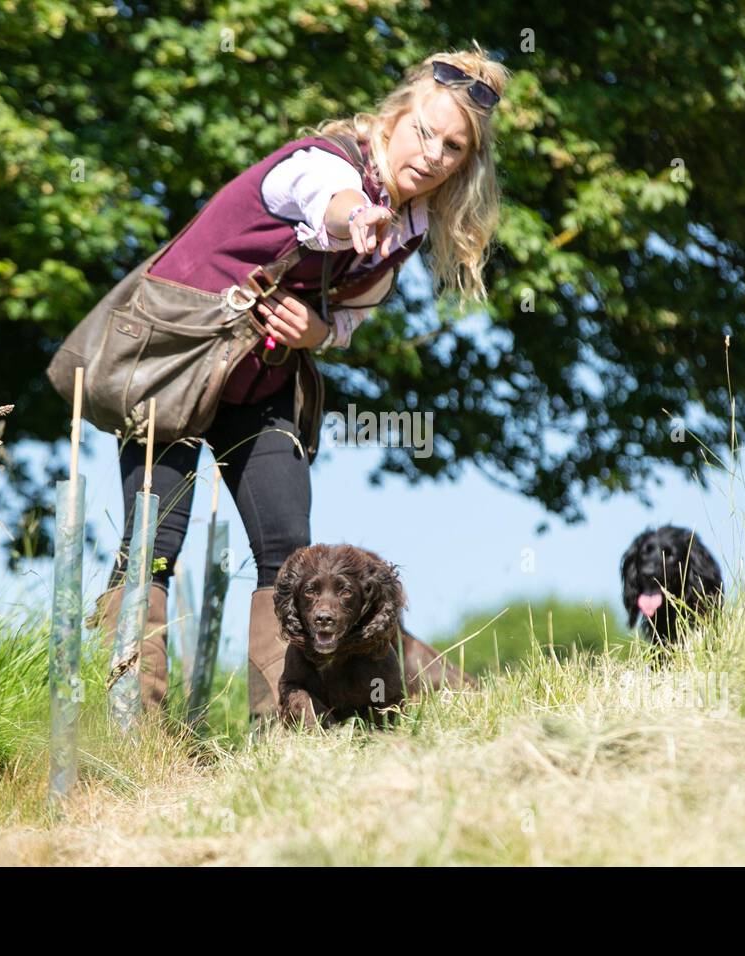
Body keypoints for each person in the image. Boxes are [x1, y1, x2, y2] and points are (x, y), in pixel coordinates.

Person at [90, 44, 510, 725]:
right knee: (152, 551)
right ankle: (131, 734)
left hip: (260, 380)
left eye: (453, 147)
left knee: (289, 555)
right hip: (174, 360)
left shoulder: (413, 223)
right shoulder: (324, 163)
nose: (433, 155)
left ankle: (283, 733)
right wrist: (357, 217)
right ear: (395, 119)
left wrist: (321, 333)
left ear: (466, 163)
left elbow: (347, 314)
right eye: (424, 133)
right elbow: (326, 203)